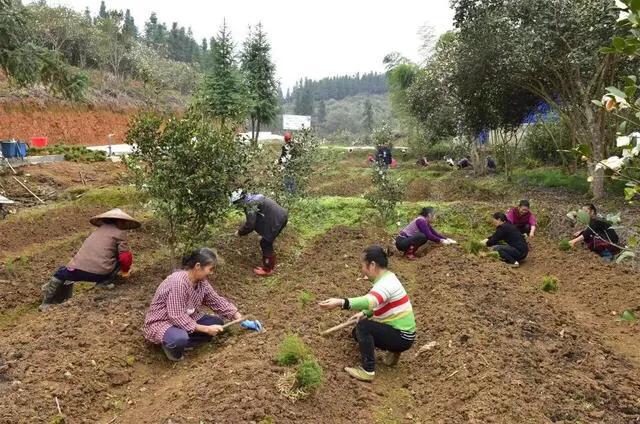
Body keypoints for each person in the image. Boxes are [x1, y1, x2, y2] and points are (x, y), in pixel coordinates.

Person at [319, 246, 416, 382]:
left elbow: (369, 301)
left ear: (372, 265)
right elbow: (382, 303)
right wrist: (365, 313)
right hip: (403, 334)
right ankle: (394, 351)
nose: (362, 270)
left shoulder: (385, 284)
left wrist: (341, 302)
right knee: (357, 332)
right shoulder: (389, 277)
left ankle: (368, 370)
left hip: (402, 336)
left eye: (363, 266)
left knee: (363, 327)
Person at [143, 248, 243, 362]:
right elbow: (176, 316)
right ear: (198, 266)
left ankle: (182, 340)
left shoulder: (202, 283)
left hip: (187, 318)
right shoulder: (178, 282)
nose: (211, 273)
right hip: (163, 321)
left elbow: (216, 300)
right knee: (179, 339)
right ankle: (170, 345)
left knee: (217, 323)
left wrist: (238, 317)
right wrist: (205, 329)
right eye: (210, 269)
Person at [39, 208, 139, 312]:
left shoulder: (96, 232)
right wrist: (125, 271)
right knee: (121, 257)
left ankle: (46, 302)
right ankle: (104, 282)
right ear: (119, 221)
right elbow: (125, 257)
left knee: (60, 273)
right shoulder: (120, 233)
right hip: (100, 274)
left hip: (75, 270)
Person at [230, 189, 288, 277]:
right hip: (282, 216)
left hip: (276, 219)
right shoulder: (254, 198)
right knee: (266, 241)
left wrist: (239, 232)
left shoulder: (250, 205)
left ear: (240, 200)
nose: (237, 206)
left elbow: (250, 225)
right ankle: (268, 267)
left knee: (265, 243)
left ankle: (268, 270)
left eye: (236, 203)